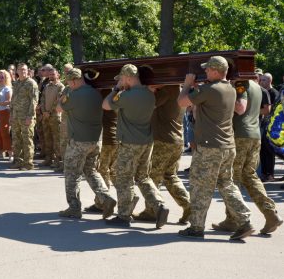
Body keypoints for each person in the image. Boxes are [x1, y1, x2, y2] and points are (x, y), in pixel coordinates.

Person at [177, 56, 254, 240]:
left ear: (215, 71)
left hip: (209, 147)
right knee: (226, 184)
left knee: (200, 186)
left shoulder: (209, 89)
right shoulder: (231, 89)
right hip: (227, 145)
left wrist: (187, 85)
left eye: (207, 69)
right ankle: (244, 220)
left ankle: (196, 227)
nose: (205, 72)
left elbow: (181, 102)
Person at [212, 79, 282, 234]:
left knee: (232, 178)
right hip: (254, 134)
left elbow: (240, 108)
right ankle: (270, 214)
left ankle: (233, 220)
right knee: (250, 176)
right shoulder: (257, 86)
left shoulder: (240, 85)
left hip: (240, 135)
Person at [103, 64, 169, 228]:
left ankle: (124, 215)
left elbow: (105, 105)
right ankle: (159, 205)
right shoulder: (150, 95)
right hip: (146, 142)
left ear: (128, 78)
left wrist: (115, 89)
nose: (121, 81)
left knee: (124, 178)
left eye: (122, 79)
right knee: (143, 177)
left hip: (129, 143)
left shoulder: (126, 95)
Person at [56, 68, 116, 219]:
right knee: (91, 171)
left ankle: (74, 207)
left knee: (72, 174)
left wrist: (65, 93)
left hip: (78, 141)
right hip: (96, 140)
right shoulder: (96, 93)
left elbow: (58, 108)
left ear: (74, 80)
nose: (68, 84)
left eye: (69, 82)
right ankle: (105, 198)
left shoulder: (73, 95)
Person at [133, 85, 191, 224]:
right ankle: (189, 205)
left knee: (152, 176)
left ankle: (152, 211)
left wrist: (148, 90)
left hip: (162, 140)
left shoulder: (167, 90)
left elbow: (147, 105)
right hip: (176, 139)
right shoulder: (179, 89)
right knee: (170, 176)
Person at [10, 63, 38, 170]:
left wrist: (30, 116)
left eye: (25, 69)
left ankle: (28, 163)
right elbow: (13, 100)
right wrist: (11, 115)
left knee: (27, 140)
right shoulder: (17, 83)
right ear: (17, 71)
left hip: (26, 116)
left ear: (28, 71)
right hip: (16, 116)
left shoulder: (31, 83)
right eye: (20, 69)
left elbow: (34, 101)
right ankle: (18, 161)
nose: (23, 71)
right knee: (16, 139)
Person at [40, 66, 64, 167]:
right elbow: (42, 99)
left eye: (53, 74)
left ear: (58, 75)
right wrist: (44, 111)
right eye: (50, 75)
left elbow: (58, 101)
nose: (51, 76)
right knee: (47, 138)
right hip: (45, 116)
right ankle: (48, 159)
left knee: (57, 139)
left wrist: (49, 111)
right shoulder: (47, 86)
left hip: (55, 116)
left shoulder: (61, 87)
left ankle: (58, 161)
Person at [259, 72, 278, 182]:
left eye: (264, 80)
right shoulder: (262, 92)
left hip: (271, 125)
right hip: (263, 124)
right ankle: (265, 173)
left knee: (269, 150)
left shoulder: (273, 93)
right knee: (263, 150)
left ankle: (270, 174)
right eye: (261, 80)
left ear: (270, 81)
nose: (261, 82)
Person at [0, 69, 13, 160]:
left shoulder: (7, 88)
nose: (0, 78)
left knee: (4, 132)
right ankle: (1, 151)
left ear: (6, 78)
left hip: (4, 112)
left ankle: (10, 152)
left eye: (2, 77)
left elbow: (9, 101)